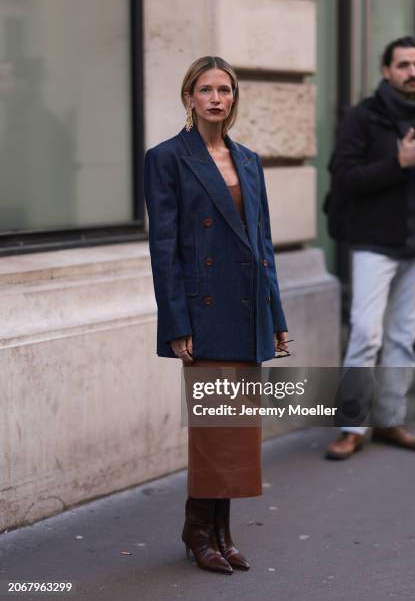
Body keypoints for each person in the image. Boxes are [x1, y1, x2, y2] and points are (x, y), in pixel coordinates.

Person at [144, 56, 289, 573]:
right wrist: (176, 323)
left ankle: (219, 531)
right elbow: (164, 249)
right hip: (203, 312)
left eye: (224, 90)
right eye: (205, 89)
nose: (215, 99)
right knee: (212, 428)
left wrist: (277, 316)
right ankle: (199, 531)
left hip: (247, 309)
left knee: (235, 426)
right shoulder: (165, 159)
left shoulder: (248, 160)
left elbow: (263, 244)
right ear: (189, 97)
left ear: (233, 98)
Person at [325, 36, 415, 460]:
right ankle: (352, 426)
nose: (413, 72)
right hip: (374, 243)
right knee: (366, 334)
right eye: (403, 65)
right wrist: (398, 163)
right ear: (386, 71)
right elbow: (344, 177)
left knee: (404, 338)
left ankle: (390, 420)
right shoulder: (363, 117)